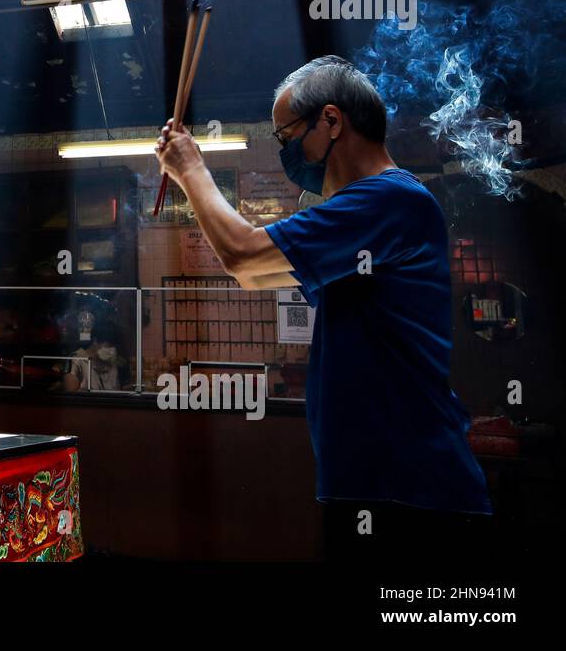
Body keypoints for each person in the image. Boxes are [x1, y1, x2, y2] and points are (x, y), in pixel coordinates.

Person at [154, 55, 492, 561]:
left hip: (415, 491)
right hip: (367, 486)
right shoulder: (360, 214)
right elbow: (251, 274)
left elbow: (242, 254)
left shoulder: (389, 201)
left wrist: (193, 169)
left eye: (287, 136)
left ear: (331, 121)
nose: (286, 152)